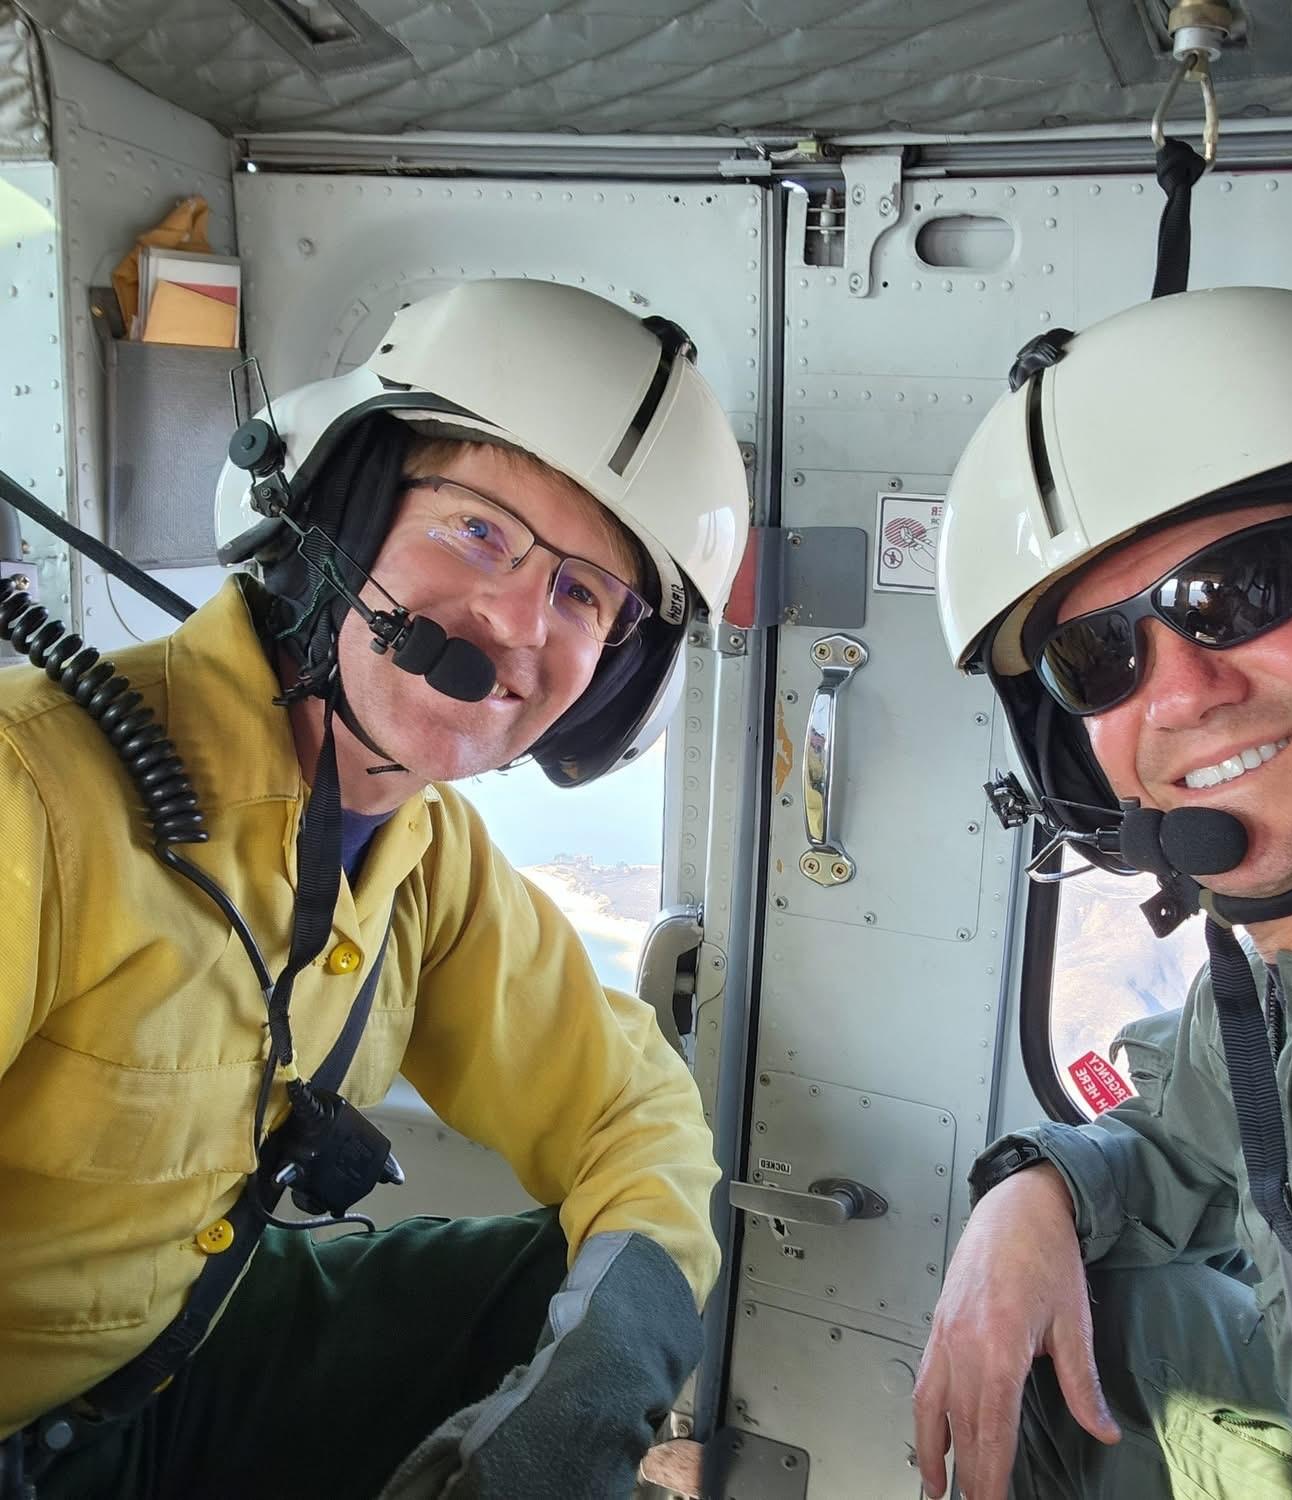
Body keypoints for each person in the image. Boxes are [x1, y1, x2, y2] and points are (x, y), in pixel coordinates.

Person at [0, 279, 749, 1499]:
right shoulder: (31, 789)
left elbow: (631, 1109)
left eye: (581, 596)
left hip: (176, 1359)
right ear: (339, 517)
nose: (516, 625)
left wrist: (595, 1393)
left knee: (580, 1280)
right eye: (480, 532)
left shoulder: (427, 858)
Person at [916, 285, 1292, 1500]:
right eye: (1100, 657)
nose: (1178, 694)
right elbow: (1184, 1137)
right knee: (1080, 1319)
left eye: (1237, 589)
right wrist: (1028, 1194)